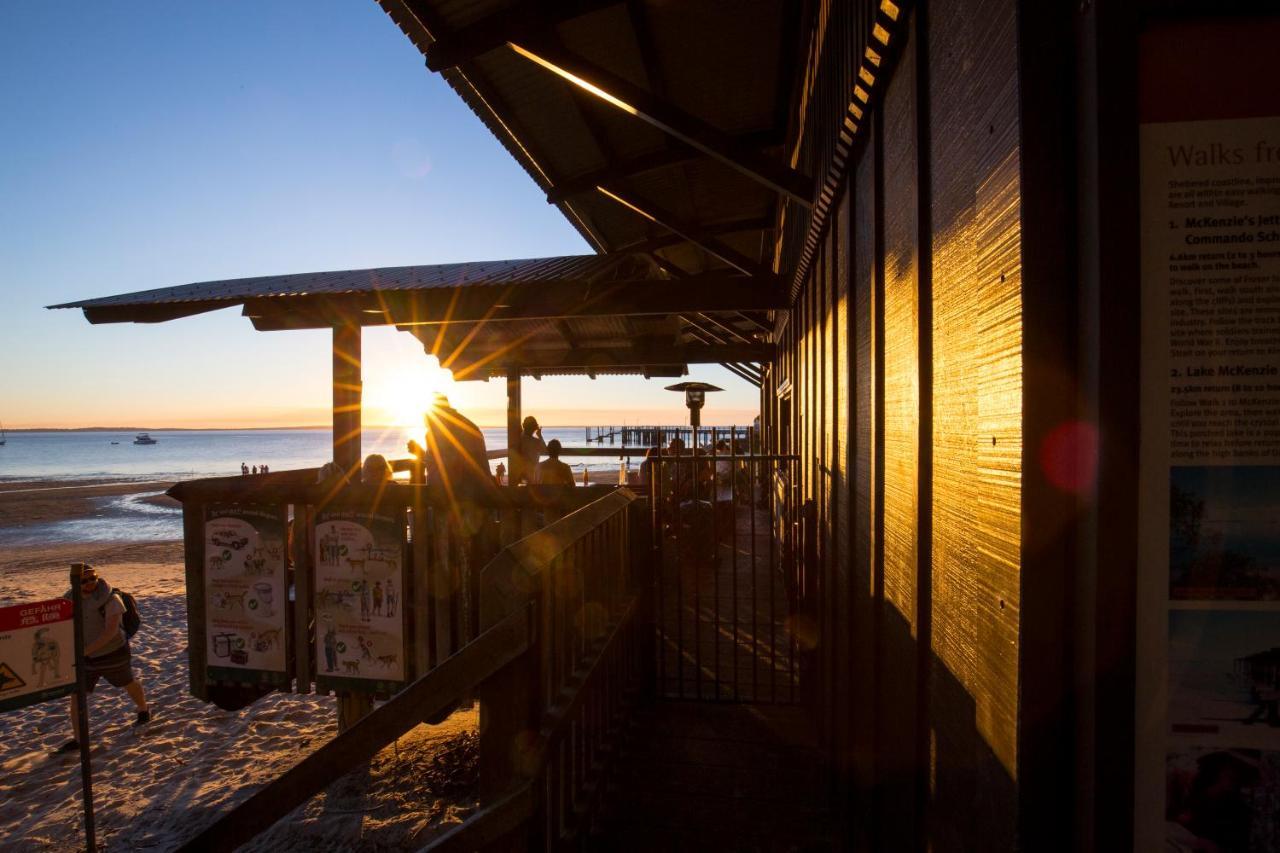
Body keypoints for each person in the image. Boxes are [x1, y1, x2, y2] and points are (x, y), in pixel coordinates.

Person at [57, 565, 149, 753]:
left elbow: (111, 631)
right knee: (77, 696)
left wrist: (85, 651)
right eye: (84, 580)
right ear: (75, 583)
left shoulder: (111, 599)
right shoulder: (68, 600)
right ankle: (78, 739)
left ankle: (143, 709)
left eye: (93, 578)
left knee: (128, 682)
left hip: (113, 653)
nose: (90, 583)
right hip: (86, 657)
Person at [516, 416, 547, 484]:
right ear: (534, 428)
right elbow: (545, 450)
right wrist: (539, 435)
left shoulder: (519, 439)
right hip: (532, 474)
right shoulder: (535, 442)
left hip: (520, 473)